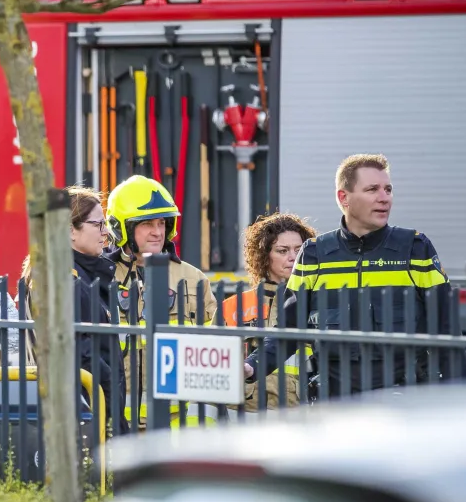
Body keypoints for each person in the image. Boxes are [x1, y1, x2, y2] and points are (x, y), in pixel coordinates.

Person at [247, 153, 453, 397]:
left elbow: (447, 332)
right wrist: (252, 365)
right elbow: (289, 332)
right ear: (343, 197)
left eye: (388, 189)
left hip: (404, 406)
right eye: (372, 189)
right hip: (336, 407)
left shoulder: (416, 248)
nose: (384, 198)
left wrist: (463, 401)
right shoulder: (314, 254)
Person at [105, 174, 217, 428]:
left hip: (178, 422)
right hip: (117, 421)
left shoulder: (193, 278)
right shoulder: (102, 278)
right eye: (147, 224)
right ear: (121, 227)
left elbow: (212, 349)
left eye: (162, 223)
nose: (157, 232)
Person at [19, 186, 126, 434]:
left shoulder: (75, 274)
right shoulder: (65, 278)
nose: (105, 233)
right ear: (69, 231)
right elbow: (84, 356)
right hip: (83, 414)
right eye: (98, 225)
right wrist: (112, 415)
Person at [223, 211, 315, 410]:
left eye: (299, 250)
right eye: (282, 251)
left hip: (303, 419)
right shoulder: (233, 306)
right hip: (247, 420)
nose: (293, 257)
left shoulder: (318, 303)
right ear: (264, 256)